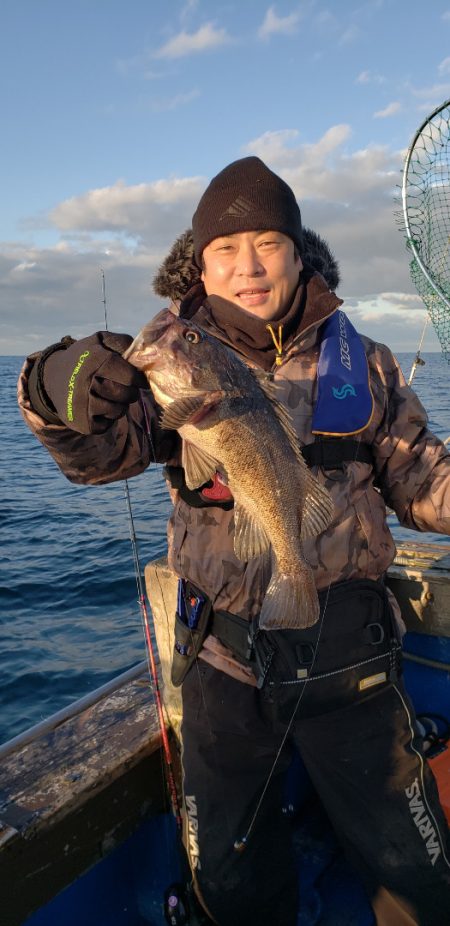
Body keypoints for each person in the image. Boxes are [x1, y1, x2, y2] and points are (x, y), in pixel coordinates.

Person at [18, 157, 450, 925]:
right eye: (224, 249)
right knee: (233, 875)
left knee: (414, 868)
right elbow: (95, 456)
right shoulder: (171, 370)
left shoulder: (370, 363)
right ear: (199, 263)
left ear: (299, 252)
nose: (248, 266)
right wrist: (55, 389)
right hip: (223, 663)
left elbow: (423, 478)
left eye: (268, 243)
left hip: (353, 655)